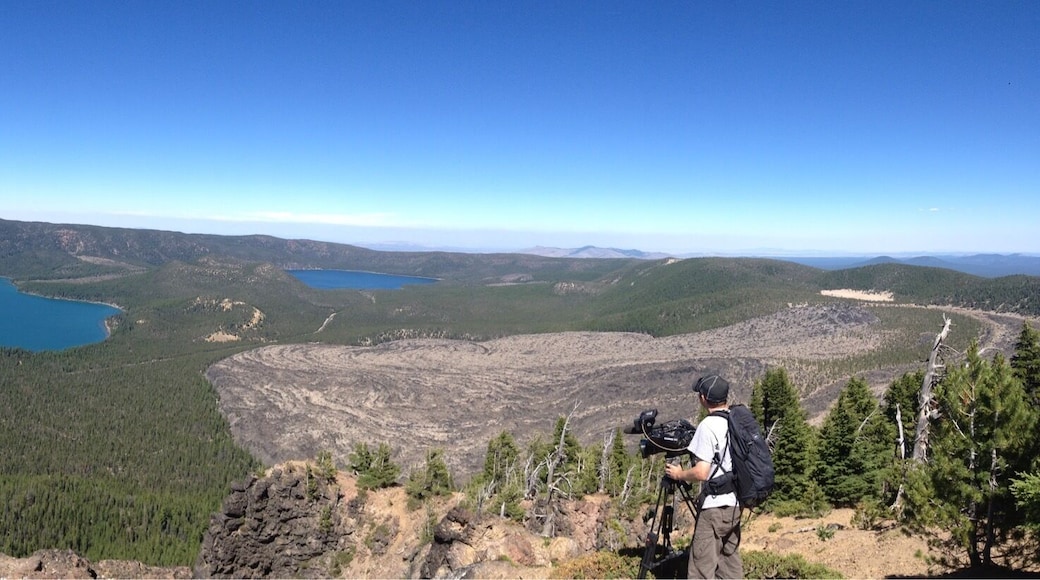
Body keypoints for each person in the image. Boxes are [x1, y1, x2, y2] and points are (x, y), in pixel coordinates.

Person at [664, 374, 743, 579]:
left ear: (703, 398)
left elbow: (701, 472)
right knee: (730, 566)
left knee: (701, 569)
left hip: (714, 507)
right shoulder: (736, 422)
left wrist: (679, 474)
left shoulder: (708, 426)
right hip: (734, 505)